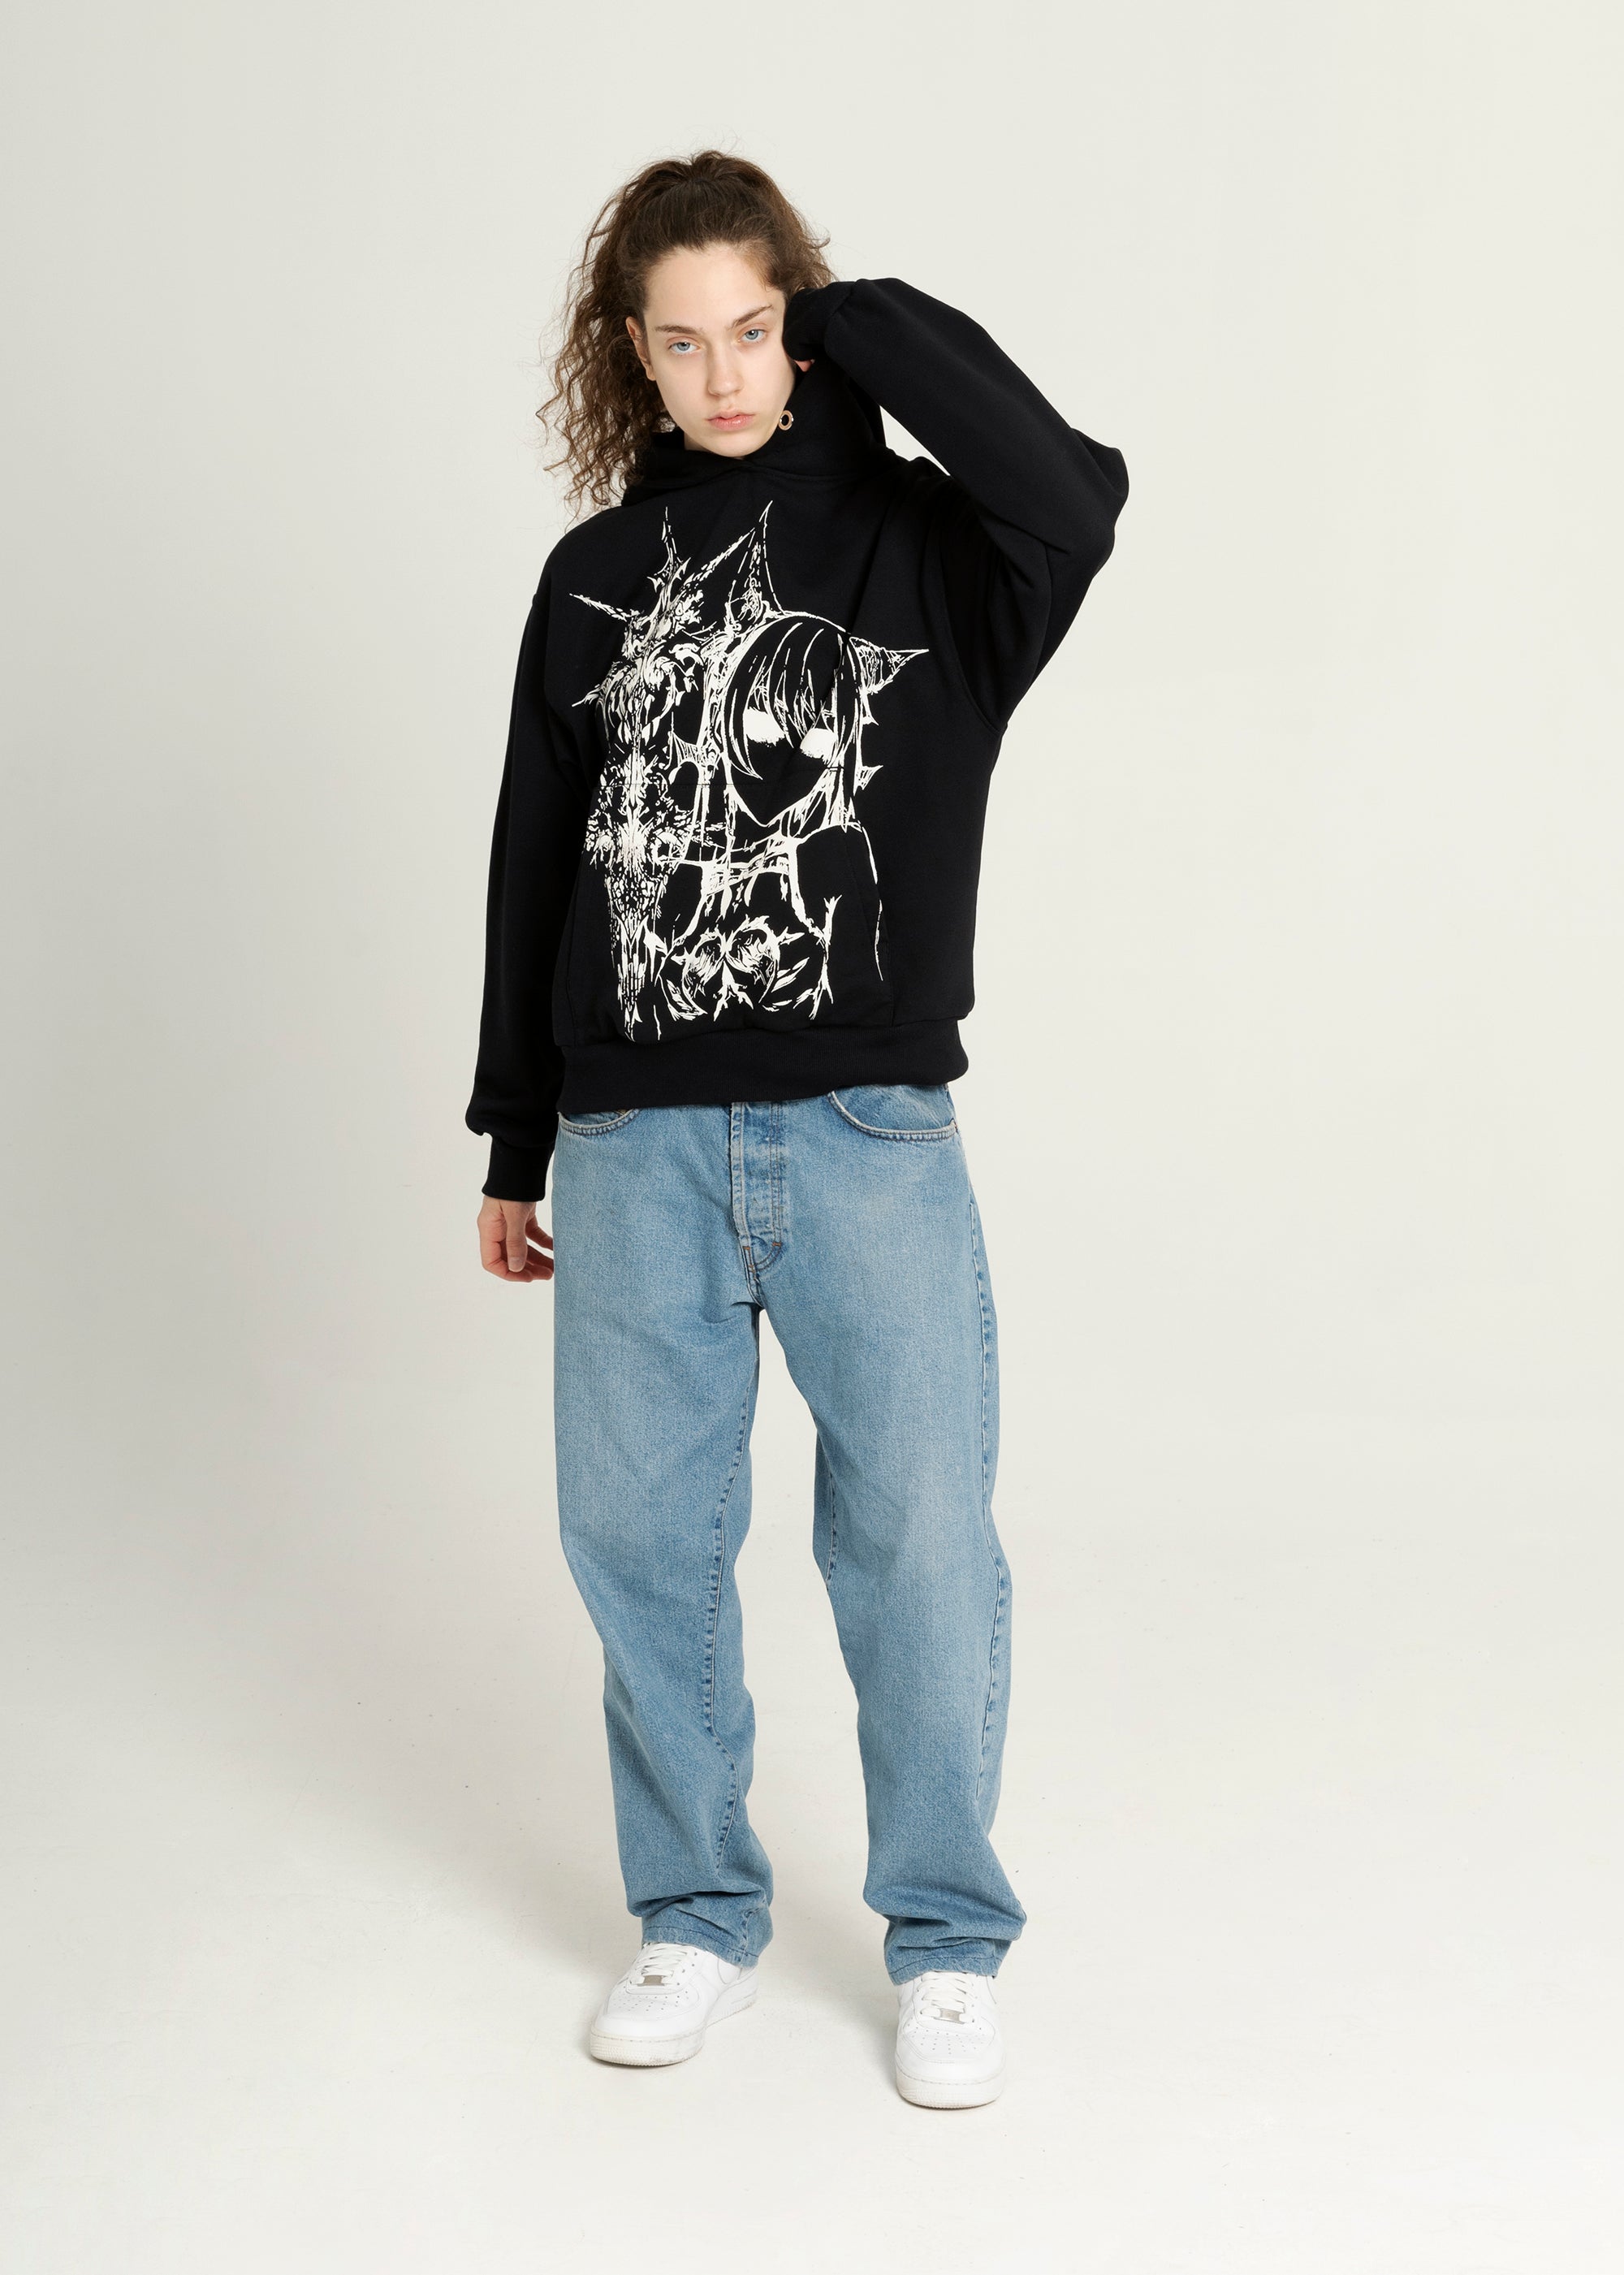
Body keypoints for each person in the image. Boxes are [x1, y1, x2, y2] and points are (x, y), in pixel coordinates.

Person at [465, 150, 1128, 2108]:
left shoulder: (938, 558)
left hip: (863, 1127)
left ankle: (946, 1939)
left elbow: (1073, 488)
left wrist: (852, 321)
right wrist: (514, 1138)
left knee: (916, 1537)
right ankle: (694, 1911)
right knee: (636, 1537)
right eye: (681, 343)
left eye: (755, 330)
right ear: (632, 357)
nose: (724, 375)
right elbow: (533, 867)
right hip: (634, 1145)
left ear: (804, 326)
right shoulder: (592, 580)